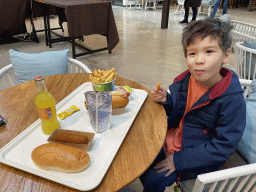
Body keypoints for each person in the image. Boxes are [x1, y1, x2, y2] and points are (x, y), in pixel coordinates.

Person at [139, 18, 246, 192]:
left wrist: (178, 160)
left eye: (209, 51)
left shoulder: (232, 100)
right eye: (192, 53)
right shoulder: (188, 80)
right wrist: (167, 100)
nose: (199, 60)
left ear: (225, 56)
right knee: (142, 156)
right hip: (172, 138)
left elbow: (223, 146)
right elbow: (181, 110)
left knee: (154, 178)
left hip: (195, 157)